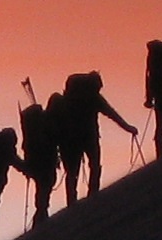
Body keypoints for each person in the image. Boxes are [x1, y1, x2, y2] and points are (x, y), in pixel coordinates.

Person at [56, 71, 138, 201]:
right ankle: (93, 195)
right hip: (90, 137)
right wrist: (128, 128)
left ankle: (72, 202)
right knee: (94, 166)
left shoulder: (68, 100)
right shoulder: (94, 98)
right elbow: (112, 114)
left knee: (72, 172)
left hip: (71, 140)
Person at [16, 91, 63, 227]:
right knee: (45, 186)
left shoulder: (40, 123)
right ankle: (41, 215)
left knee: (42, 187)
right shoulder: (48, 122)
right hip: (45, 162)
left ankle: (41, 214)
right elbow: (54, 139)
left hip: (35, 162)